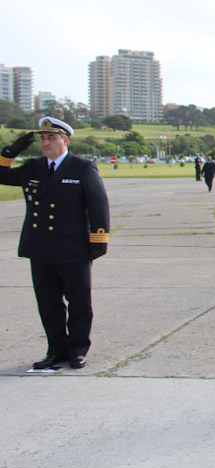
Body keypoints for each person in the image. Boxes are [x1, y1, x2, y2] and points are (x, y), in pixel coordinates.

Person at [0, 116, 110, 370]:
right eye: (43, 138)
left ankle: (78, 350)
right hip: (40, 247)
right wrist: (11, 151)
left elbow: (98, 205)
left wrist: (99, 240)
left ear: (65, 140)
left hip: (73, 248)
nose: (46, 142)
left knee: (79, 302)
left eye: (51, 137)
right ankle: (56, 350)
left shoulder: (82, 167)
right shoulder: (33, 167)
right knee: (49, 303)